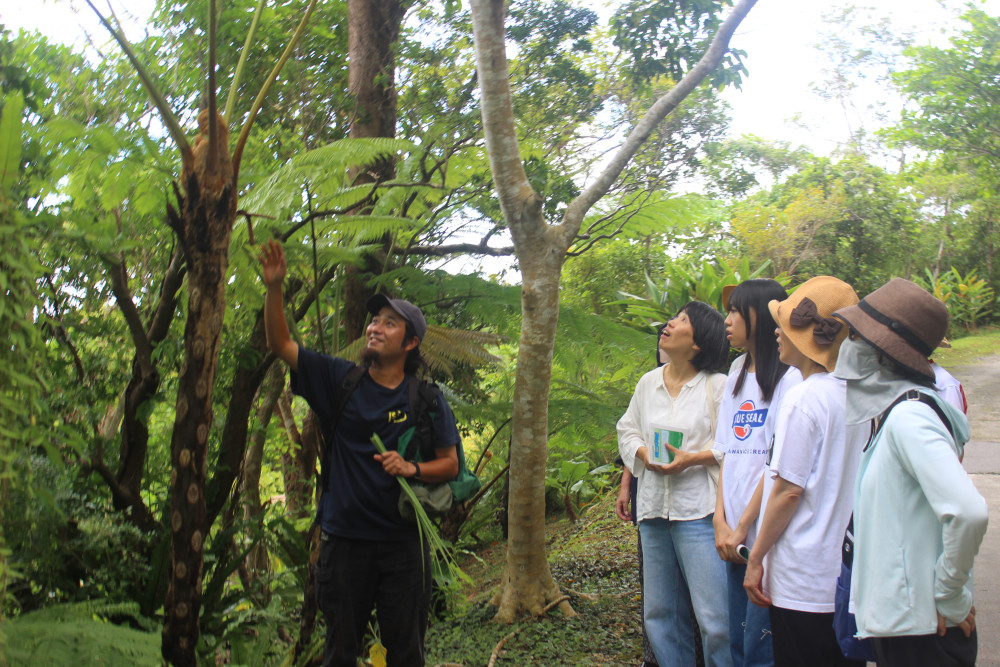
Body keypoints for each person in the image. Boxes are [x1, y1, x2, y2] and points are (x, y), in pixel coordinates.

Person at [258, 239, 460, 667]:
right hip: (344, 544)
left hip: (404, 547)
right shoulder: (339, 380)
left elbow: (451, 464)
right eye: (375, 320)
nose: (375, 327)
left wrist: (411, 467)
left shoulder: (426, 399)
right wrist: (274, 288)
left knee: (406, 655)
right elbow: (281, 344)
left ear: (410, 343)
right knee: (340, 655)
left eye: (390, 323)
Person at [832, 278, 988, 667]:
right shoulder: (897, 413)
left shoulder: (910, 417)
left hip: (923, 635)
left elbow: (968, 512)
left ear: (885, 354)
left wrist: (950, 596)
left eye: (857, 337)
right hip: (907, 627)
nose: (847, 345)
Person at [743, 276, 867, 667]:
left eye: (782, 324)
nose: (776, 333)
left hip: (803, 575)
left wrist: (756, 557)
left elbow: (788, 490)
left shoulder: (803, 398)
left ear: (806, 336)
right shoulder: (861, 394)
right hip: (848, 574)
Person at [617, 302, 732, 667]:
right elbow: (627, 428)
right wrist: (641, 454)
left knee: (716, 621)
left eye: (682, 321)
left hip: (699, 513)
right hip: (652, 511)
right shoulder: (648, 383)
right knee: (660, 615)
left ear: (697, 344)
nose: (670, 323)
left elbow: (734, 446)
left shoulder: (718, 387)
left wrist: (691, 459)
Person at [713, 280, 801, 667]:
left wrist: (745, 524)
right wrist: (719, 520)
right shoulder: (735, 373)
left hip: (762, 533)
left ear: (763, 316)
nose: (727, 320)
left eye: (735, 311)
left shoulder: (789, 378)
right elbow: (727, 453)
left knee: (761, 649)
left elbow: (775, 464)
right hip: (732, 533)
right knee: (737, 638)